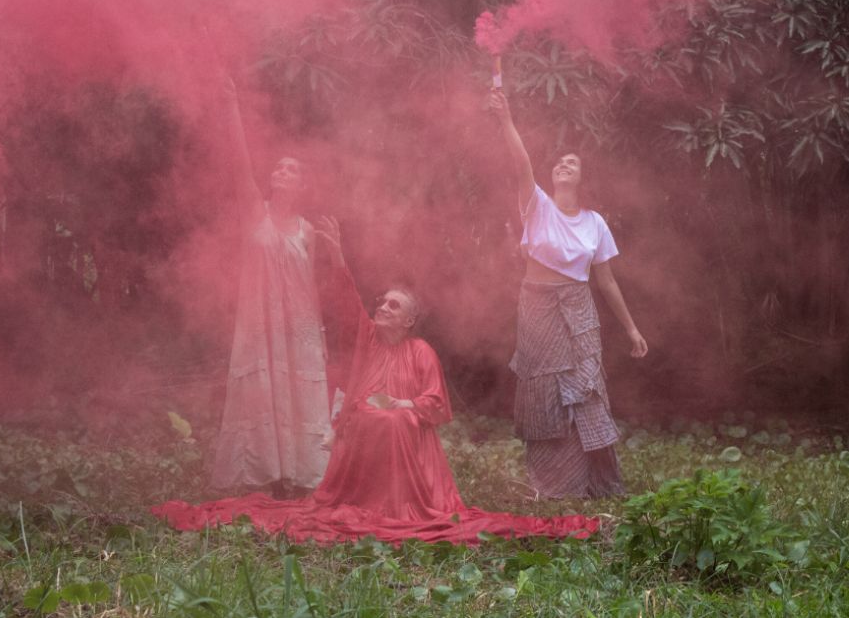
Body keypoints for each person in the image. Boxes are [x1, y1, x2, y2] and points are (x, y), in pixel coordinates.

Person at [153, 218, 599, 544]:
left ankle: (398, 505)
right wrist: (339, 256)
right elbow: (348, 301)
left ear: (408, 322)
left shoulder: (420, 351)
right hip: (366, 439)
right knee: (367, 416)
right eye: (381, 303)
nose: (381, 309)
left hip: (409, 446)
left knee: (393, 421)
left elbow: (437, 406)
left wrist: (405, 406)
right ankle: (365, 499)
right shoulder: (369, 340)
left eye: (392, 307)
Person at [487, 86, 648, 499]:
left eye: (572, 163)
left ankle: (598, 483)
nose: (563, 165)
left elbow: (607, 281)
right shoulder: (536, 204)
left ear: (582, 177)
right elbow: (521, 163)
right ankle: (555, 487)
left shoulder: (595, 222)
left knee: (587, 391)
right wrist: (506, 120)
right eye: (559, 162)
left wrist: (631, 330)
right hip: (537, 306)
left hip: (579, 311)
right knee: (546, 396)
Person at [208, 78, 331, 497]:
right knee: (261, 391)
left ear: (302, 185)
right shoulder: (254, 213)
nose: (280, 172)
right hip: (259, 319)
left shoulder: (307, 231)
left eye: (291, 169)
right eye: (278, 166)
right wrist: (232, 109)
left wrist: (319, 333)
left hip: (298, 325)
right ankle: (260, 474)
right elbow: (239, 164)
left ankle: (297, 475)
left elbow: (310, 285)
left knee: (297, 392)